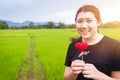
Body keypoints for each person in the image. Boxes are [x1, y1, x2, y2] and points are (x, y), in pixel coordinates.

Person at [64, 4, 120, 80]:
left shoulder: (115, 46)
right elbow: (66, 78)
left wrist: (100, 76)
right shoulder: (73, 46)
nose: (83, 26)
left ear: (98, 22)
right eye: (79, 21)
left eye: (89, 21)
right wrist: (73, 72)